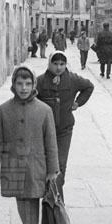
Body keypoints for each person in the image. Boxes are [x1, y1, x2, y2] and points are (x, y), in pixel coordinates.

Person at [0, 66, 59, 224]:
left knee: (32, 202)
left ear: (34, 84)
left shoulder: (45, 110)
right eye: (19, 83)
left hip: (36, 165)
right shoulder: (3, 110)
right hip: (13, 164)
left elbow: (51, 142)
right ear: (14, 85)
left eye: (28, 84)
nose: (24, 88)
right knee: (20, 201)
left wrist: (52, 169)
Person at [37, 51, 94, 201]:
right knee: (46, 164)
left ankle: (57, 200)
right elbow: (31, 98)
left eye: (62, 64)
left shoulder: (73, 79)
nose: (58, 68)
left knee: (60, 164)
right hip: (44, 131)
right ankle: (48, 194)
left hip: (64, 130)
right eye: (55, 64)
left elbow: (89, 87)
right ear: (49, 64)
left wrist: (78, 103)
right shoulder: (40, 81)